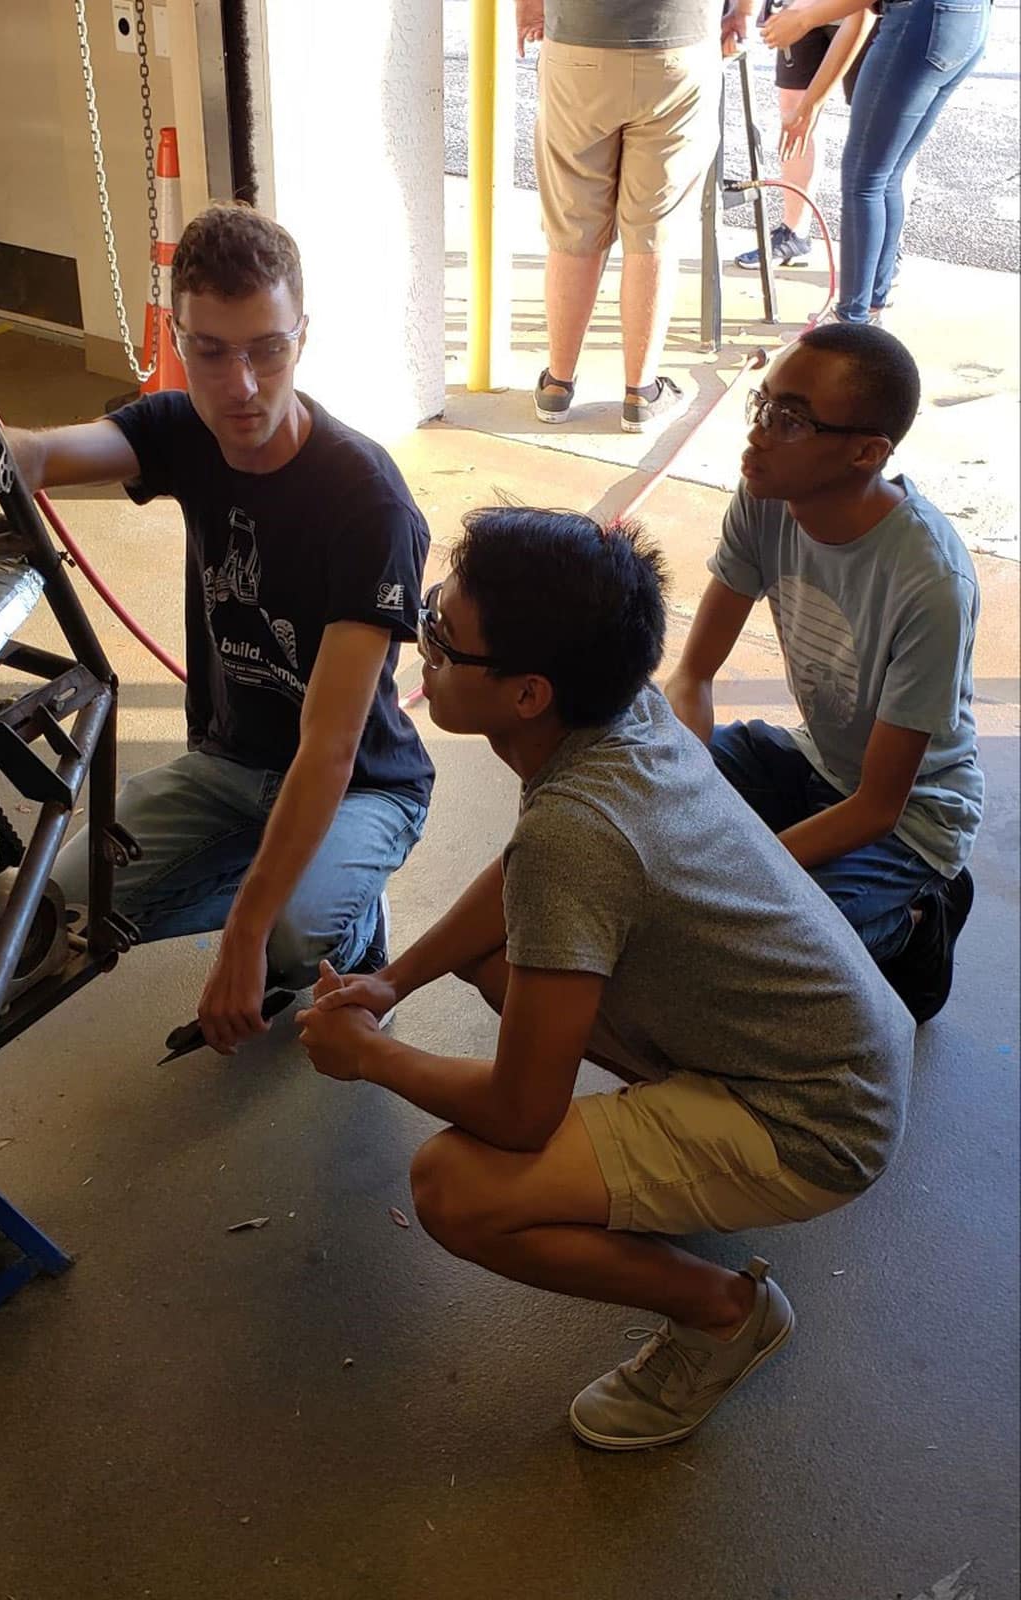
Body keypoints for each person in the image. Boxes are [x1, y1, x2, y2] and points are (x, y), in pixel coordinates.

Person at [296, 505, 914, 1452]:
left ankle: (725, 1315)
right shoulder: (623, 708)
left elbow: (517, 1113)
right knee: (501, 960)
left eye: (440, 640)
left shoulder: (575, 831)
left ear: (528, 694)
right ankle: (674, 1148)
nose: (420, 652)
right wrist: (393, 984)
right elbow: (522, 877)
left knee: (457, 1187)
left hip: (819, 1122)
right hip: (836, 1042)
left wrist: (371, 1056)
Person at [0, 203, 433, 1054]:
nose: (240, 386)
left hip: (362, 786)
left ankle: (344, 926)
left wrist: (242, 936)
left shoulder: (367, 500)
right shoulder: (183, 429)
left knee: (287, 938)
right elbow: (40, 455)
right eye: (210, 351)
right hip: (228, 764)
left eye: (266, 349)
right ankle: (276, 880)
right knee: (53, 910)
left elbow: (331, 746)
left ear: (302, 337)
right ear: (178, 337)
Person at [664, 322, 981, 1022]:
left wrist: (744, 868)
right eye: (762, 405)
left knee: (775, 944)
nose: (758, 435)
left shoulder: (930, 584)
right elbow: (693, 677)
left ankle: (919, 925)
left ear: (867, 453)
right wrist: (678, 768)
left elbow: (878, 804)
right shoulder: (767, 493)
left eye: (791, 420)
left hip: (910, 821)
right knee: (633, 774)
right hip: (813, 763)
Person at [515, 0, 724, 433]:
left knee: (573, 225)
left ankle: (558, 383)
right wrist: (742, 12)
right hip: (679, 44)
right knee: (654, 230)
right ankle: (640, 393)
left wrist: (530, 8)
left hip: (577, 42)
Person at [762, 0, 991, 324]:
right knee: (885, 175)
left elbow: (861, 11)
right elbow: (861, 17)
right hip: (965, 21)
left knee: (864, 180)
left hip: (921, 19)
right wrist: (811, 104)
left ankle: (851, 323)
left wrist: (805, 18)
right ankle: (868, 311)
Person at [729, 2, 878, 272]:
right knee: (793, 111)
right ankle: (794, 232)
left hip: (864, 10)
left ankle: (886, 251)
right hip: (800, 8)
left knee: (878, 122)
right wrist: (745, 14)